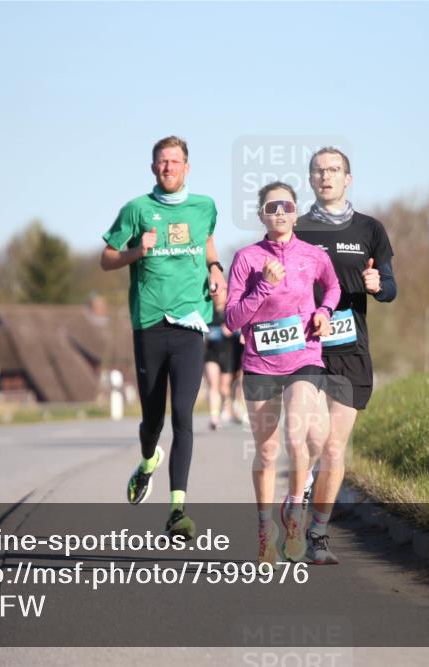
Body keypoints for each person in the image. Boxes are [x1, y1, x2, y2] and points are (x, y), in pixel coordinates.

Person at [100, 135, 227, 539]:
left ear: (187, 167)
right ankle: (147, 458)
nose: (168, 167)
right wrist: (136, 251)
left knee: (184, 415)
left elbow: (206, 240)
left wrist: (216, 268)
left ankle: (177, 510)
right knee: (152, 420)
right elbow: (105, 259)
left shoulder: (205, 206)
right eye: (161, 162)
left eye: (175, 161)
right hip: (150, 322)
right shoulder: (136, 210)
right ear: (153, 168)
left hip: (191, 322)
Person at [225, 181, 340, 563]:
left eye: (287, 206)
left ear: (295, 213)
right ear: (261, 214)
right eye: (272, 207)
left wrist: (323, 313)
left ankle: (294, 513)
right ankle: (264, 529)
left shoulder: (312, 255)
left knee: (297, 437)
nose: (280, 213)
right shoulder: (246, 258)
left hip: (304, 356)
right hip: (260, 364)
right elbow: (232, 319)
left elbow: (334, 286)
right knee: (268, 452)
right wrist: (262, 287)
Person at [294, 147, 397, 564]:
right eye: (318, 171)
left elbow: (390, 288)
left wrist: (377, 284)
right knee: (313, 440)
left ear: (348, 178)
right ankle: (298, 492)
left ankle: (318, 535)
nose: (326, 176)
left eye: (334, 170)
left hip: (351, 347)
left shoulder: (371, 229)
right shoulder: (296, 229)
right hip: (306, 346)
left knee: (335, 450)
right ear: (310, 179)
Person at [203, 306, 235, 430]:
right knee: (213, 384)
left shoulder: (231, 309)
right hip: (211, 353)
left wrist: (232, 330)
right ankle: (214, 418)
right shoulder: (208, 311)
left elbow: (240, 330)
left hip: (228, 353)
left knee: (224, 387)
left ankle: (227, 406)